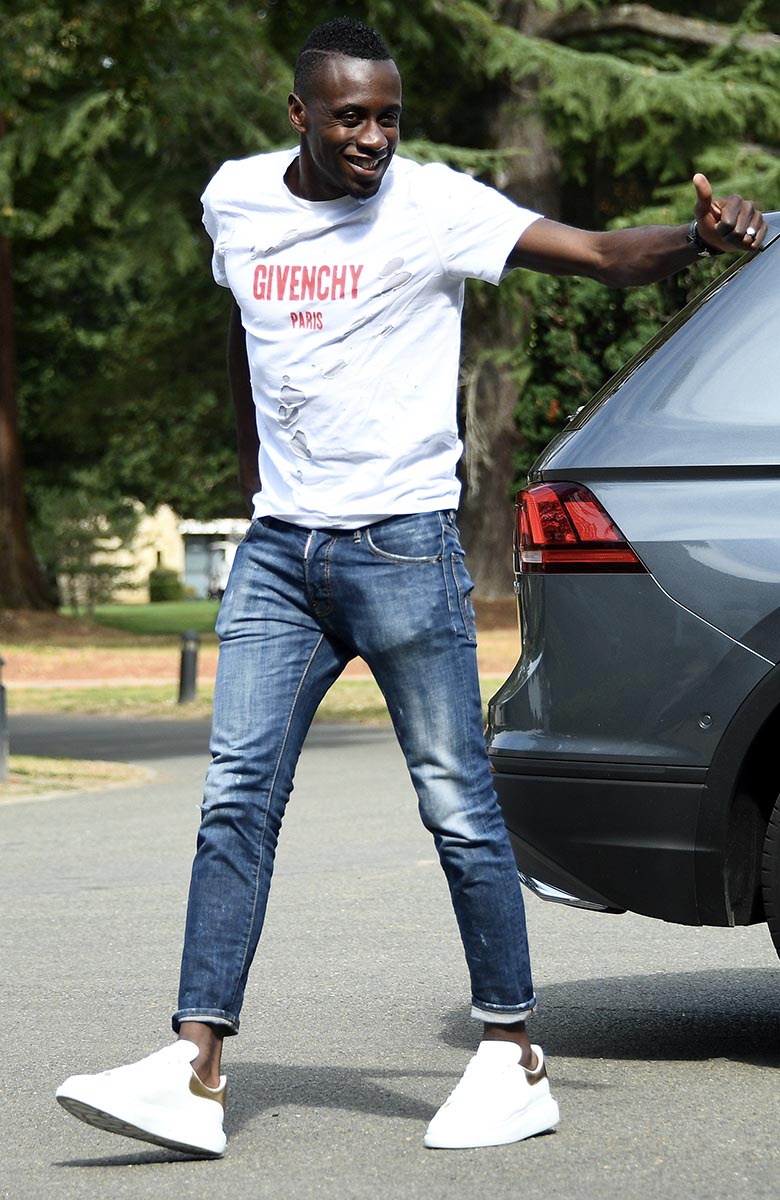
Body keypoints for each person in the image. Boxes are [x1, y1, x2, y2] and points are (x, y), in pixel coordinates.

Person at [55, 16, 766, 1158]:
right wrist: (253, 483)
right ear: (300, 114)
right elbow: (247, 338)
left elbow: (594, 253)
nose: (374, 138)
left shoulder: (434, 205)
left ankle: (511, 1054)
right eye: (351, 117)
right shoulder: (235, 200)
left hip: (402, 550)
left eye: (388, 116)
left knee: (456, 805)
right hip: (283, 555)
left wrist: (695, 236)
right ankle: (193, 1067)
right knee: (235, 800)